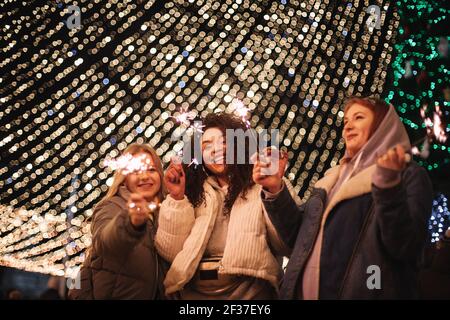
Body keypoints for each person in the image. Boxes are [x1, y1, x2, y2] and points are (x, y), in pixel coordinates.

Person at [254, 97, 433, 299]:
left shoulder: (408, 175)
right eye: (346, 121)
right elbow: (298, 239)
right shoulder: (330, 180)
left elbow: (406, 246)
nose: (347, 127)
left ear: (383, 126)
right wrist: (275, 188)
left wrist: (388, 186)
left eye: (358, 117)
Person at [155, 113, 297, 299]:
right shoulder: (192, 193)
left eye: (223, 142)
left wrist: (274, 190)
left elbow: (287, 244)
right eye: (206, 146)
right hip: (194, 294)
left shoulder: (263, 185)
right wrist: (176, 198)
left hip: (251, 294)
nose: (216, 150)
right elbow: (171, 253)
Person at [69, 143, 167, 299]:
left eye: (151, 170)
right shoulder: (112, 206)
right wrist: (131, 222)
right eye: (136, 171)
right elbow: (105, 241)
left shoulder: (166, 213)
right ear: (124, 178)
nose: (145, 176)